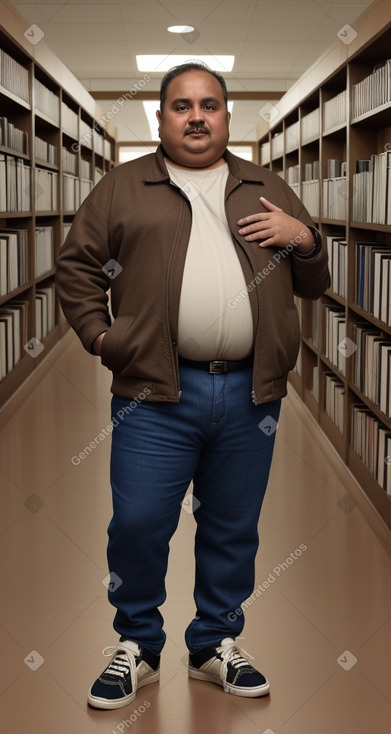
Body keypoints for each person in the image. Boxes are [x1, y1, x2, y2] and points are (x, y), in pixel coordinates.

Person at [56, 61, 329, 710]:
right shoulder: (123, 186)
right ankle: (138, 645)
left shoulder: (267, 185)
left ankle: (213, 644)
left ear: (227, 116)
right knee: (140, 524)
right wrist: (102, 338)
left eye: (209, 104)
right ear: (161, 118)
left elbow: (313, 284)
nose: (196, 115)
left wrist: (306, 240)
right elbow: (76, 268)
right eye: (181, 105)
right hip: (153, 394)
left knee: (232, 527)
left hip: (249, 393)